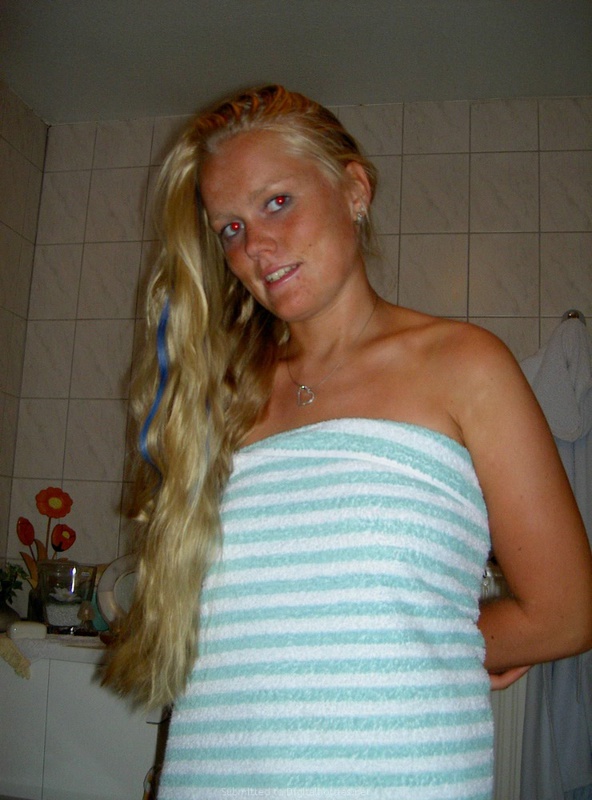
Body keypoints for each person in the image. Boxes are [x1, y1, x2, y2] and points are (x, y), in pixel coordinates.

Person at [104, 85, 592, 799]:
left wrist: (442, 646)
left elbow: (568, 612)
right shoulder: (216, 397)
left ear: (354, 190)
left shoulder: (467, 367)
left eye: (277, 202)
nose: (255, 247)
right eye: (230, 228)